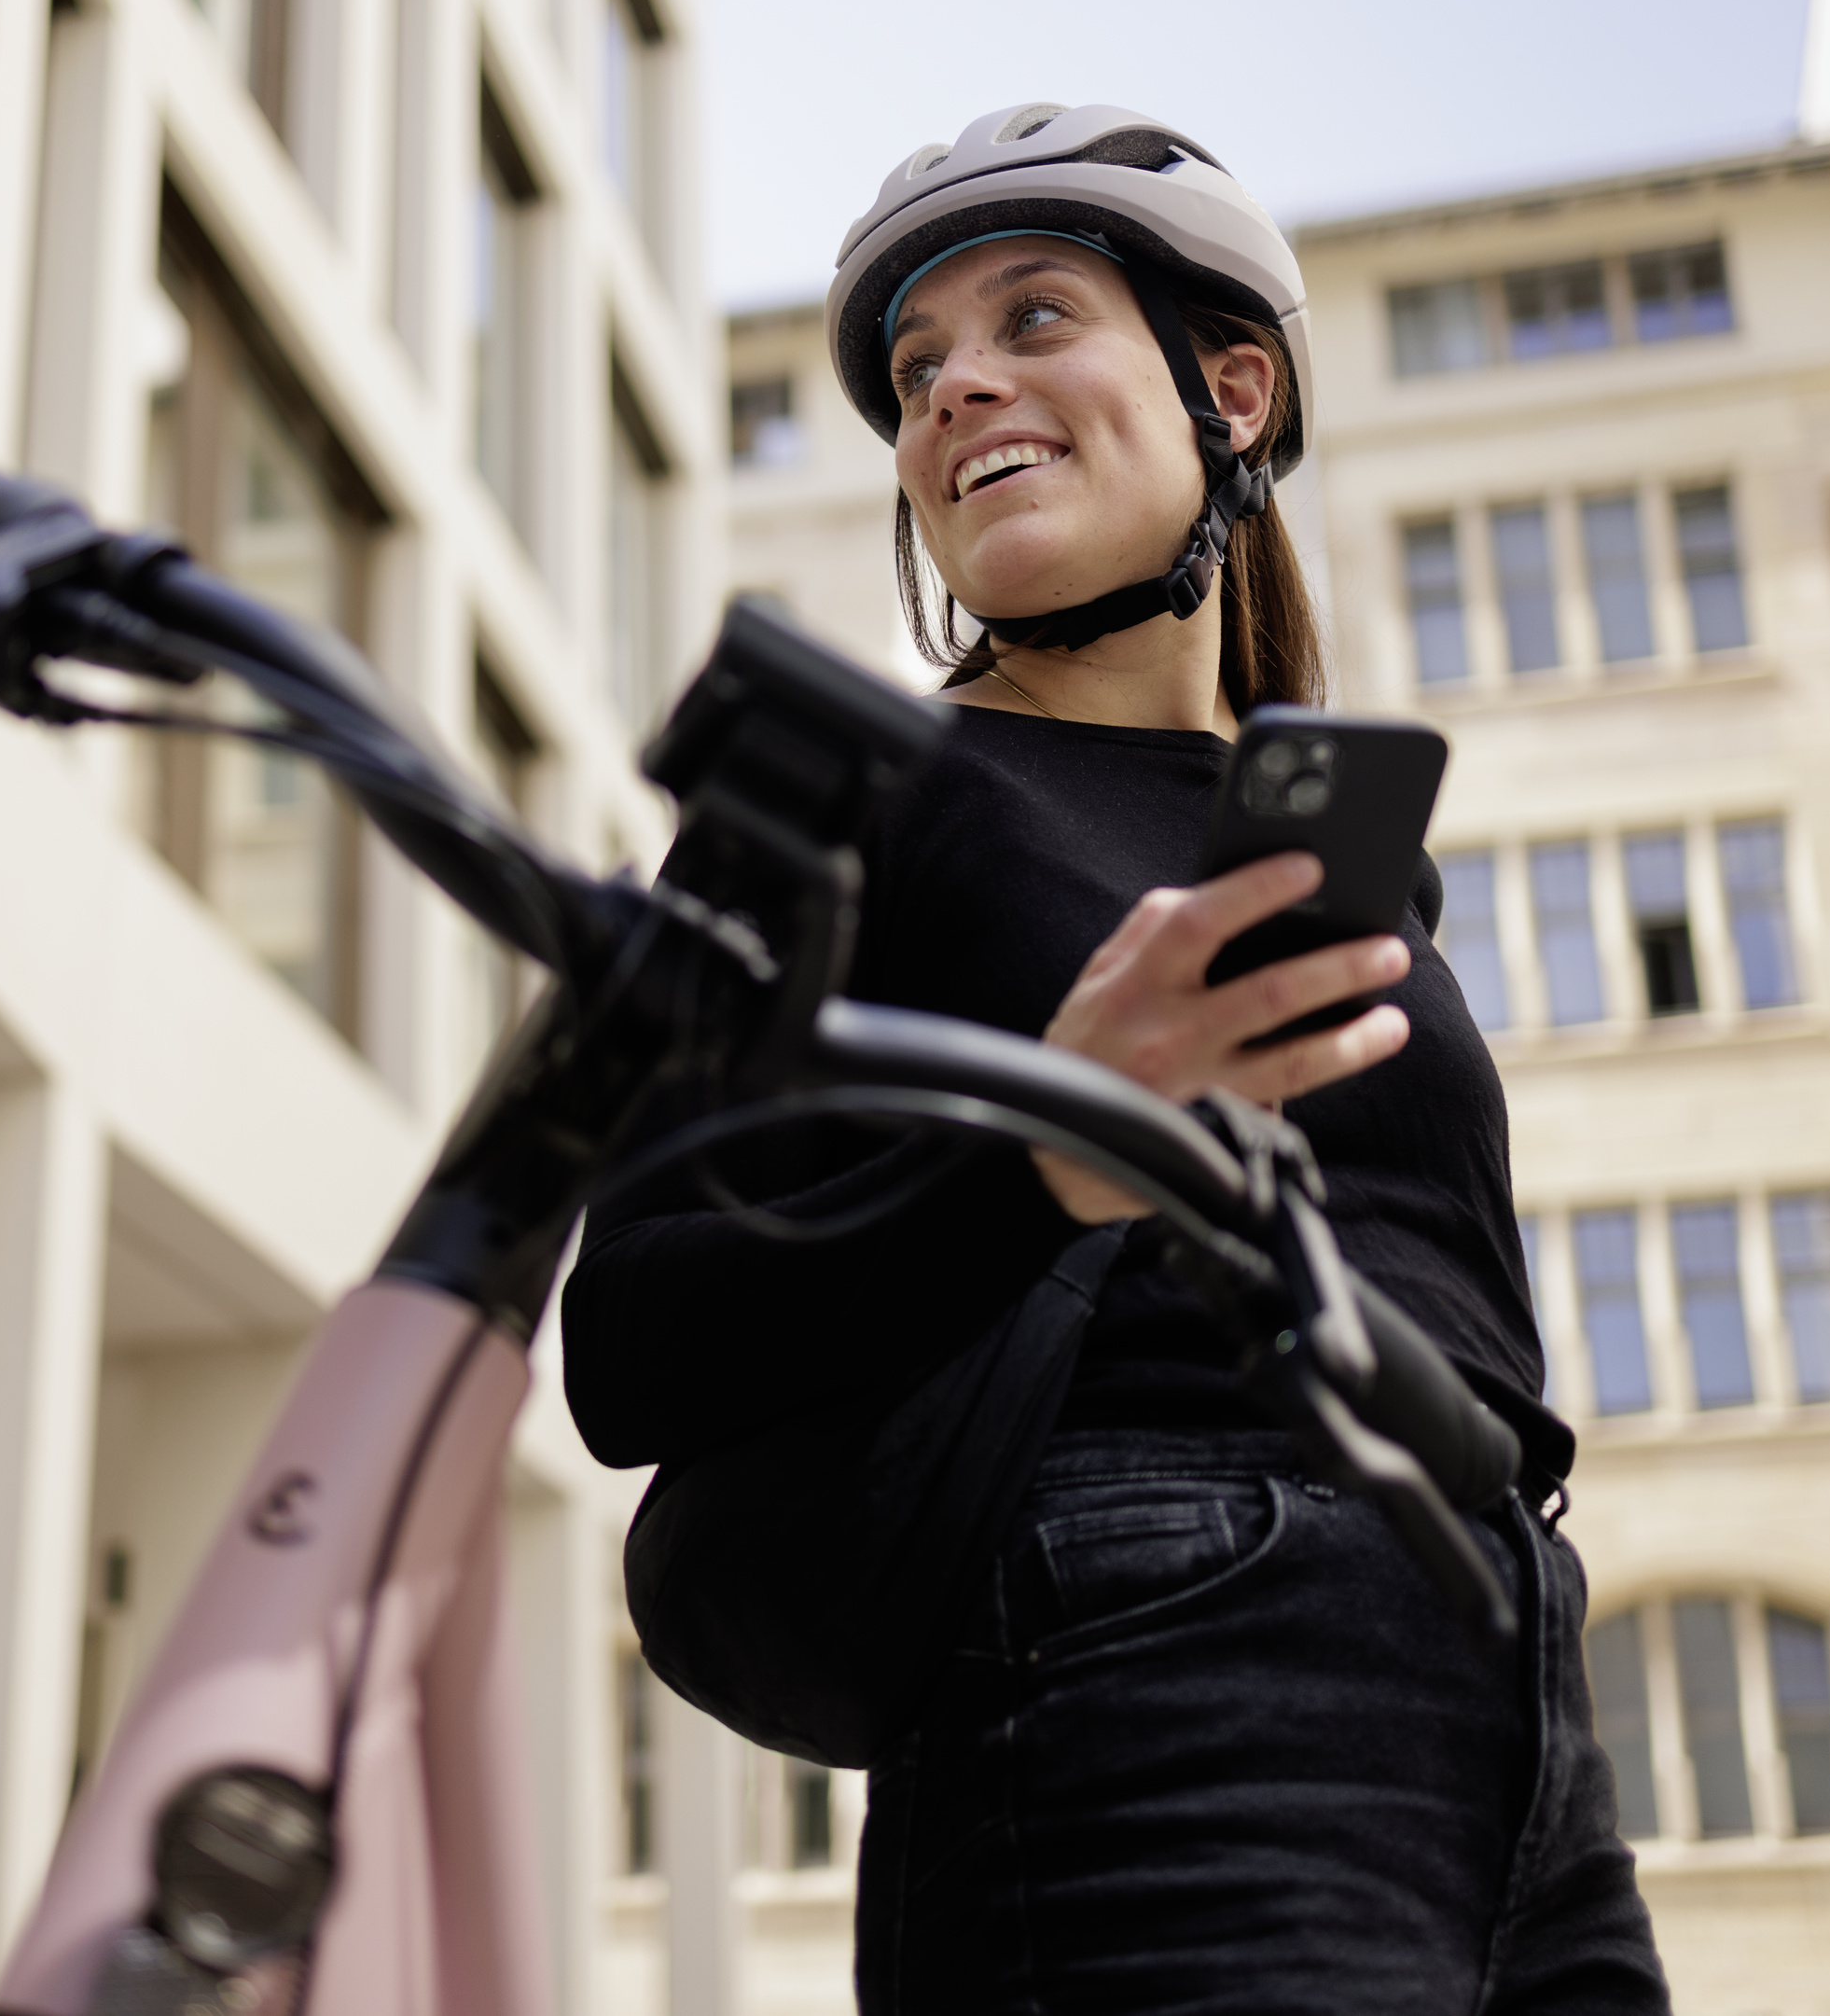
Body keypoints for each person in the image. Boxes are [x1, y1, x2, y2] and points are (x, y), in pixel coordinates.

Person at [560, 105, 1668, 2013]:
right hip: (1148, 1645)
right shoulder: (846, 802)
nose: (952, 387)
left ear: (1227, 389)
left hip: (1509, 1682)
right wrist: (1050, 1147)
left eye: (1032, 317)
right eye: (914, 370)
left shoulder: (1326, 851)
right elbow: (630, 1334)